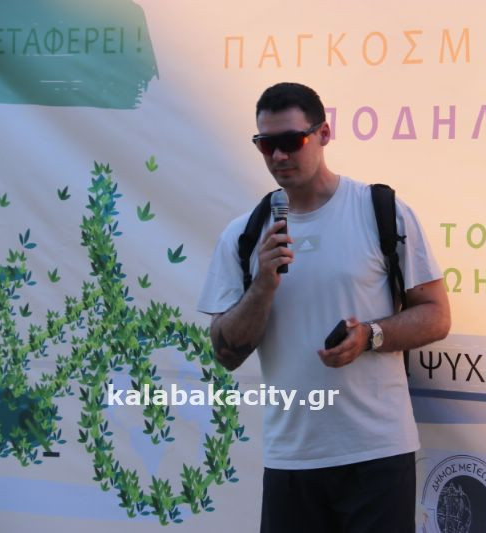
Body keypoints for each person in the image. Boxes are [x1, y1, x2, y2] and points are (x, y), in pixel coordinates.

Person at [197, 82, 450, 532]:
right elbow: (225, 352)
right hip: (292, 459)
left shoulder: (381, 210)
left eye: (291, 141)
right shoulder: (245, 234)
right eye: (266, 144)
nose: (279, 156)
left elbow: (436, 315)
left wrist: (370, 336)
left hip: (377, 453)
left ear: (324, 134)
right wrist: (262, 285)